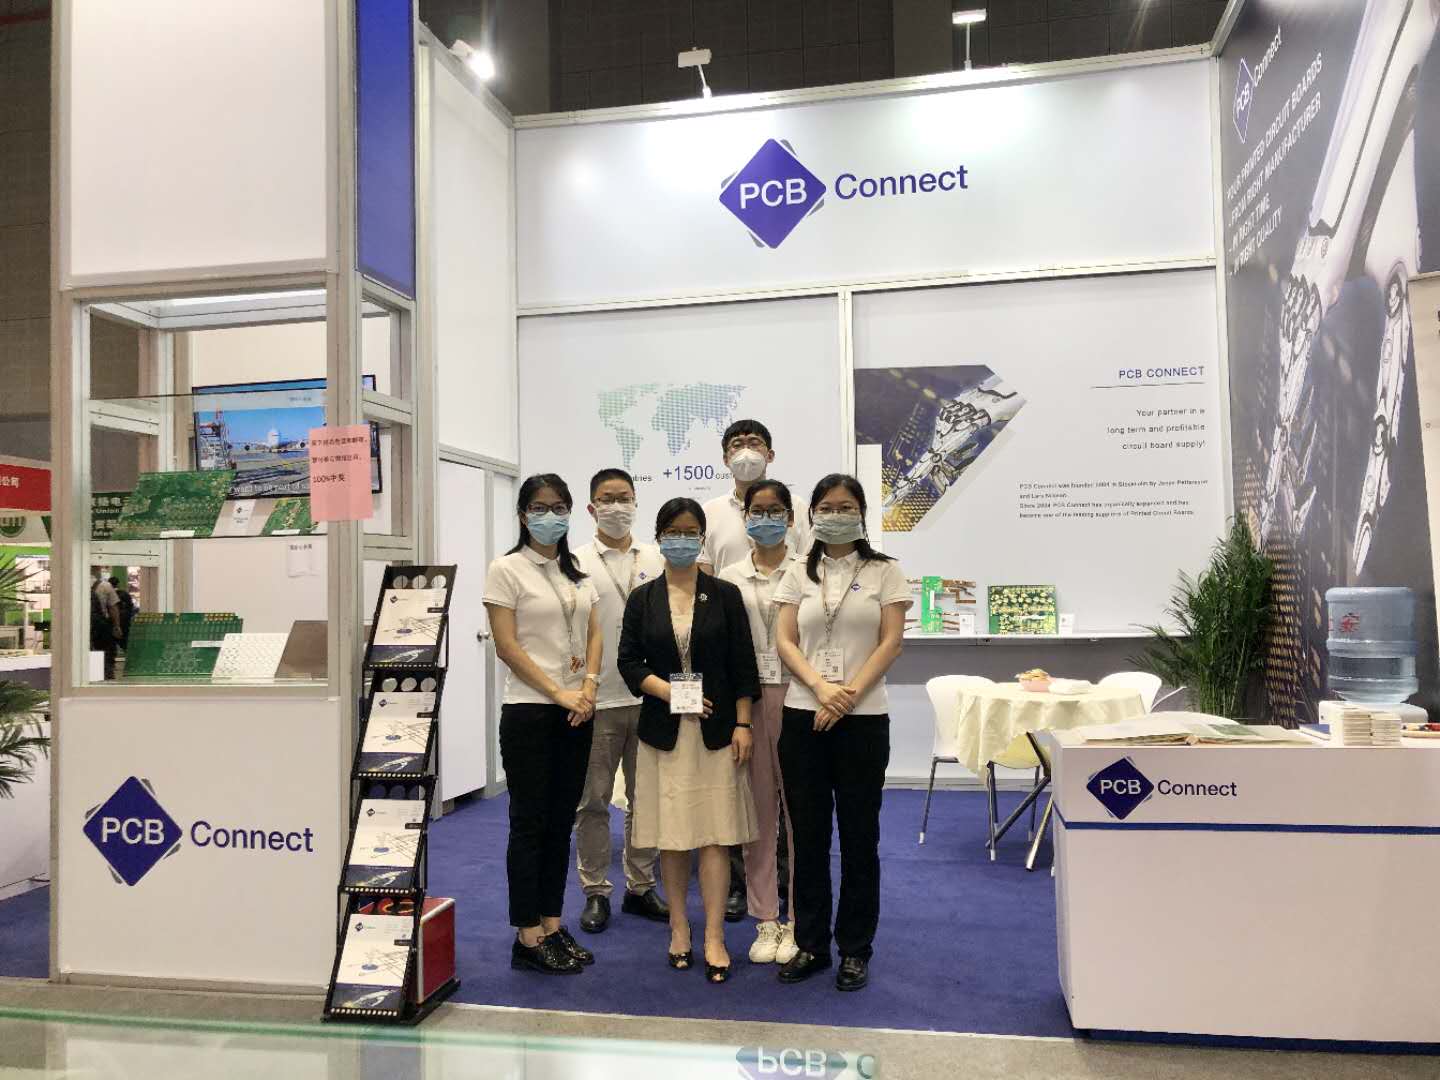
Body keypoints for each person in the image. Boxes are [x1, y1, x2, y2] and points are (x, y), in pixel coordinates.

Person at [773, 474, 910, 993]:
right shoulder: (796, 571)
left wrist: (846, 695)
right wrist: (820, 688)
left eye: (845, 506)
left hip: (864, 719)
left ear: (862, 513)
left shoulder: (885, 571)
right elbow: (785, 641)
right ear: (812, 515)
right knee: (807, 838)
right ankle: (810, 943)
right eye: (826, 507)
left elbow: (891, 642)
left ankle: (855, 948)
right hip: (802, 717)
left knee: (859, 838)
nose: (835, 515)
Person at [618, 497, 760, 984]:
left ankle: (715, 935)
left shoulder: (724, 594)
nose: (681, 540)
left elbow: (743, 663)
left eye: (690, 532)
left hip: (717, 733)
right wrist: (671, 692)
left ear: (702, 538)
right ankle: (679, 927)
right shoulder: (643, 598)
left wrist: (744, 723)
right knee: (673, 837)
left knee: (716, 837)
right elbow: (629, 662)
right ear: (659, 538)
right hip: (664, 733)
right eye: (672, 532)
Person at [483, 474, 603, 976]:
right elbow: (507, 646)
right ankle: (527, 935)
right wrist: (559, 693)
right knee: (530, 823)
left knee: (560, 822)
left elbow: (595, 632)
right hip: (531, 711)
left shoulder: (577, 573)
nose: (549, 516)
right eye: (539, 507)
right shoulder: (506, 569)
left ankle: (553, 924)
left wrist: (589, 686)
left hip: (577, 708)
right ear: (522, 514)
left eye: (558, 507)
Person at [697, 418, 806, 919]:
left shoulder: (800, 514)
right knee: (745, 790)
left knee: (796, 793)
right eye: (737, 444)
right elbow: (702, 590)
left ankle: (794, 890)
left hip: (795, 680)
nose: (746, 451)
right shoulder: (711, 515)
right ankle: (749, 889)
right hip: (740, 681)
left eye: (755, 443)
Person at [572, 468, 670, 933]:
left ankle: (640, 885)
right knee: (592, 801)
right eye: (607, 499)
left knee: (644, 799)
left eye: (624, 498)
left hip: (650, 697)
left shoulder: (656, 557)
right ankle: (595, 890)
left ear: (635, 502)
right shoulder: (574, 561)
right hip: (596, 700)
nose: (617, 507)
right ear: (592, 507)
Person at [718, 480, 801, 966]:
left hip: (798, 696)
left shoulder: (807, 571)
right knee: (758, 815)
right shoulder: (729, 577)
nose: (765, 519)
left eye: (775, 511)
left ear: (790, 518)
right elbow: (726, 649)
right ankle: (766, 917)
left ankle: (799, 918)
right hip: (748, 700)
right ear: (745, 516)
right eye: (757, 511)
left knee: (801, 813)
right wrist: (739, 717)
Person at [90, 570, 120, 679]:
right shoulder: (105, 586)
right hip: (99, 626)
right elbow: (113, 608)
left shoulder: (73, 583)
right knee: (104, 652)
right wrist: (117, 626)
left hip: (80, 626)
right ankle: (106, 675)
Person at [110, 576, 136, 651]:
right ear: (118, 584)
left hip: (112, 620)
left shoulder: (109, 594)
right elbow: (131, 606)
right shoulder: (125, 594)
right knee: (124, 639)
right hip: (125, 620)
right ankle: (125, 652)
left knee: (112, 640)